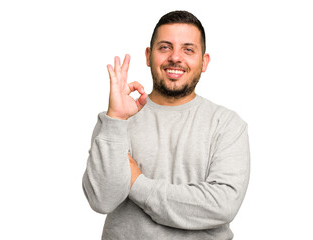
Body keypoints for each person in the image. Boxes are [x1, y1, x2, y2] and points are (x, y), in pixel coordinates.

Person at [82, 10, 250, 240]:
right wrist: (116, 119)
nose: (175, 57)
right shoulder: (116, 120)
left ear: (204, 61)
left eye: (188, 49)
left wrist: (136, 183)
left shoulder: (227, 124)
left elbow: (222, 205)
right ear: (149, 55)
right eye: (165, 47)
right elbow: (102, 200)